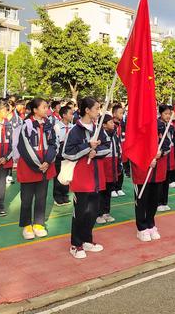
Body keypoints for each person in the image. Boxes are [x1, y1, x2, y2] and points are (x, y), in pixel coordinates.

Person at [63, 97, 110, 258]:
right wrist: (87, 147)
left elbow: (107, 147)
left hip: (96, 177)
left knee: (93, 212)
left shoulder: (99, 129)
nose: (99, 111)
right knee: (80, 212)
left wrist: (95, 152)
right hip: (81, 178)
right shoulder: (75, 131)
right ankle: (76, 244)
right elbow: (67, 152)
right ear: (87, 110)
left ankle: (87, 240)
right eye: (96, 108)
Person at [17, 98, 57, 240]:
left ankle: (39, 224)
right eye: (44, 107)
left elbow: (53, 144)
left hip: (45, 167)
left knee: (41, 197)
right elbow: (23, 146)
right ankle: (27, 225)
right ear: (35, 110)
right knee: (26, 198)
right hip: (30, 166)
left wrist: (47, 161)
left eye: (47, 107)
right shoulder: (26, 125)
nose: (47, 110)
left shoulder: (49, 124)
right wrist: (37, 164)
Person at [131, 105, 171, 242]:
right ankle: (141, 227)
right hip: (142, 170)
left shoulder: (160, 126)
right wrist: (147, 159)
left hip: (157, 170)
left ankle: (150, 223)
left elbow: (167, 144)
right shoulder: (135, 127)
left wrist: (160, 153)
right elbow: (131, 148)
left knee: (154, 199)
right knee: (142, 199)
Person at [97, 113, 118, 224]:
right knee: (101, 191)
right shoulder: (99, 135)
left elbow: (117, 149)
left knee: (108, 192)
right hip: (103, 166)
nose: (113, 124)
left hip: (112, 166)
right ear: (104, 125)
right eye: (110, 122)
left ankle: (106, 212)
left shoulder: (114, 134)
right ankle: (98, 213)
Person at [52, 105, 74, 206]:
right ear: (64, 115)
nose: (72, 116)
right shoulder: (57, 126)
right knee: (58, 176)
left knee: (66, 175)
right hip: (59, 154)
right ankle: (57, 197)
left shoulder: (72, 127)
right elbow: (55, 141)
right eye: (70, 113)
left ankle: (65, 195)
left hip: (68, 154)